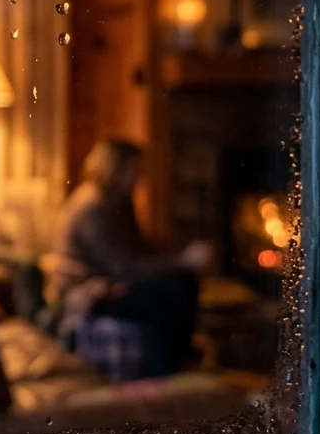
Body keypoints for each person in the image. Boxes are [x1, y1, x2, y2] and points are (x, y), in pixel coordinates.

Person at [48, 138, 210, 373]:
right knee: (168, 293)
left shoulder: (121, 204)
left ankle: (178, 361)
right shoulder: (91, 208)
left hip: (114, 282)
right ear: (113, 169)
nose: (139, 177)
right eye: (133, 169)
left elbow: (140, 252)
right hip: (85, 293)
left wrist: (181, 258)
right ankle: (167, 368)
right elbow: (123, 267)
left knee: (183, 281)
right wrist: (183, 261)